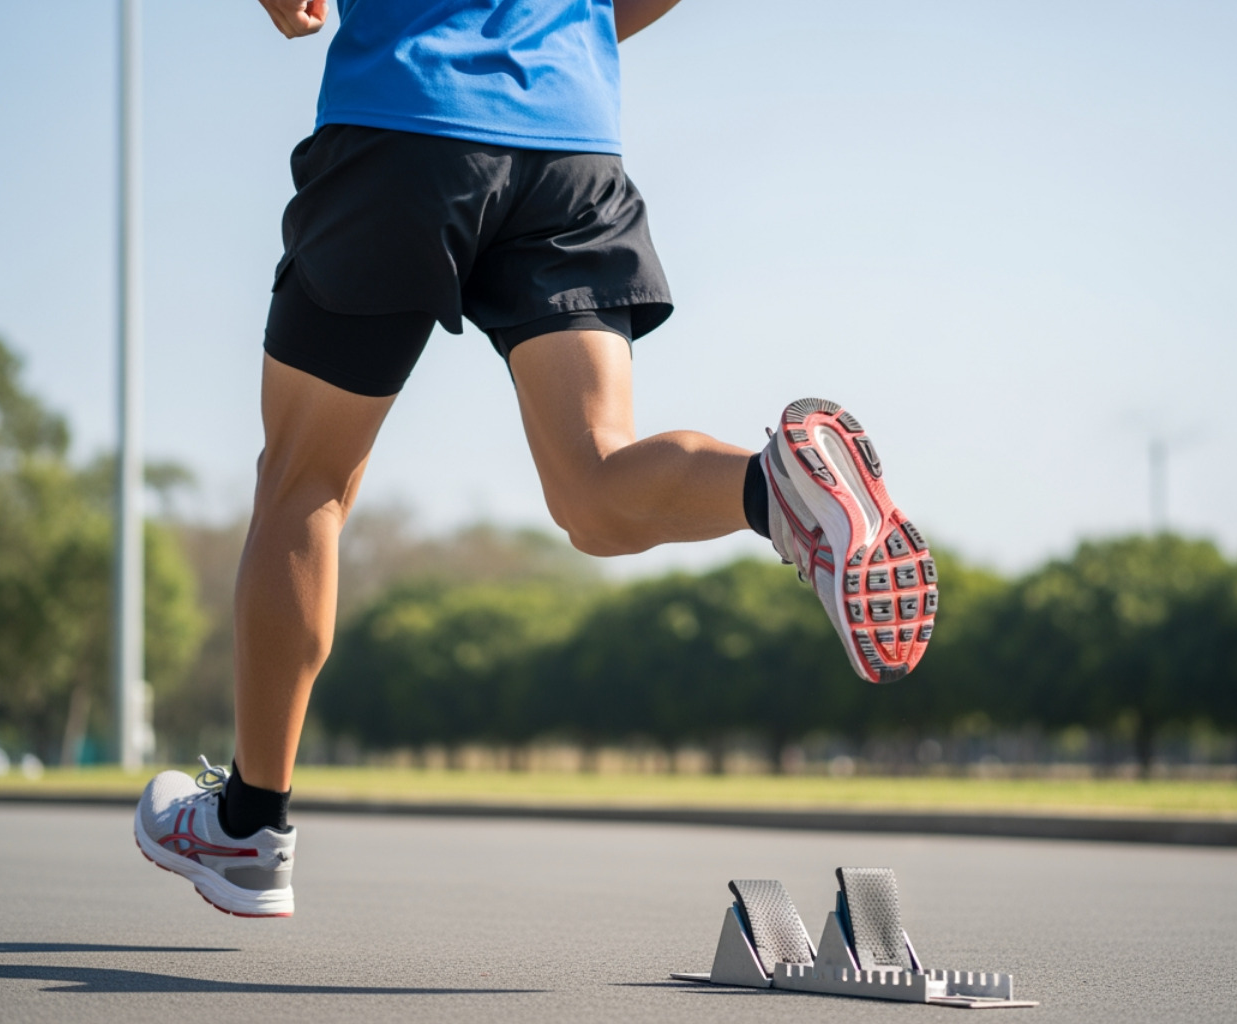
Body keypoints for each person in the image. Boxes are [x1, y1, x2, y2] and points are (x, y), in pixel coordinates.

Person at [134, 0, 939, 918]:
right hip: (572, 148)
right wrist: (567, 33)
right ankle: (774, 487)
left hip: (405, 116)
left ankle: (249, 826)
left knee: (304, 484)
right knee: (596, 487)